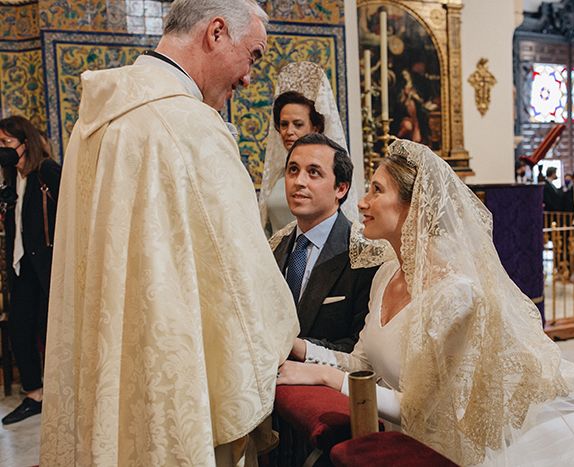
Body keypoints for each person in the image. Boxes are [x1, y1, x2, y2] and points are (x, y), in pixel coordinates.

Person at [277, 139, 574, 465]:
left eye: (376, 190)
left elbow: (425, 413)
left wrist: (325, 379)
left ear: (415, 206)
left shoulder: (455, 294)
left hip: (481, 450)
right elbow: (362, 362)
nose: (363, 203)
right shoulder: (386, 273)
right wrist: (306, 353)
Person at [39, 1, 299, 465]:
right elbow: (241, 282)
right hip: (172, 379)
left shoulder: (92, 122)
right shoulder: (192, 128)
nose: (248, 78)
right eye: (253, 55)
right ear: (216, 32)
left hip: (105, 367)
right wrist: (282, 337)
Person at [269, 133, 379, 352]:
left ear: (341, 188)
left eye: (313, 172)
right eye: (293, 170)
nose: (298, 182)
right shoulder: (275, 246)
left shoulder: (365, 254)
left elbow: (361, 348)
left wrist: (298, 352)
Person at [0, 116, 61, 425]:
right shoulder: (11, 178)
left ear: (25, 144)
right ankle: (34, 393)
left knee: (48, 328)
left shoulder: (47, 171)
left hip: (47, 263)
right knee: (20, 329)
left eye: (6, 144)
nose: (2, 150)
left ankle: (60, 393)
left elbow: (69, 209)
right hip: (21, 265)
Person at [259, 61, 359, 235]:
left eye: (298, 124)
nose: (289, 131)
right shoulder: (277, 176)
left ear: (315, 127)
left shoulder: (329, 172)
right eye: (284, 124)